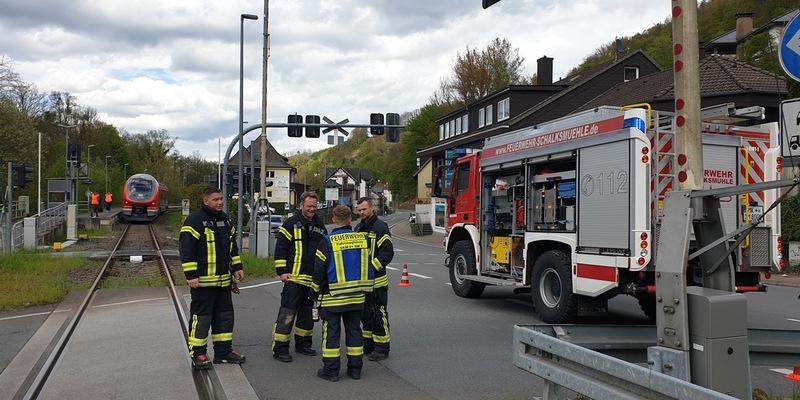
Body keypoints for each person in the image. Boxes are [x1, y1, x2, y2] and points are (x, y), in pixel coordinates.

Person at [179, 187, 246, 369]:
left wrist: (237, 268)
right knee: (201, 320)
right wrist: (191, 276)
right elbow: (187, 251)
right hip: (203, 284)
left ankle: (223, 353)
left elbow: (232, 248)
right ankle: (198, 354)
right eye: (216, 199)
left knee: (224, 318)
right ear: (205, 201)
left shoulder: (225, 220)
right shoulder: (194, 221)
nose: (220, 202)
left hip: (224, 283)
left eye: (221, 199)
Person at [310, 205, 374, 381]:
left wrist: (313, 293)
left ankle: (331, 372)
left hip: (333, 298)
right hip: (357, 296)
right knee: (354, 332)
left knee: (331, 334)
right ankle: (355, 370)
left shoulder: (327, 241)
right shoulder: (363, 239)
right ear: (351, 219)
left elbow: (319, 271)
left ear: (333, 220)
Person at [271, 191, 328, 362]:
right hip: (293, 279)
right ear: (301, 205)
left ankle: (303, 344)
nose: (312, 209)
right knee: (287, 314)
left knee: (308, 314)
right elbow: (280, 249)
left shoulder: (320, 226)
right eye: (309, 206)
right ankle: (280, 348)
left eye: (314, 206)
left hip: (311, 280)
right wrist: (282, 271)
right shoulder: (290, 224)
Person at [354, 197, 394, 361]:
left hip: (377, 282)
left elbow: (387, 253)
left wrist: (371, 269)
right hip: (363, 283)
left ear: (372, 208)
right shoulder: (358, 228)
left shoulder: (380, 227)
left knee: (378, 314)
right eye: (359, 210)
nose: (362, 212)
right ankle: (368, 344)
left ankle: (382, 348)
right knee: (365, 315)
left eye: (364, 209)